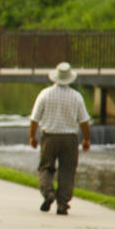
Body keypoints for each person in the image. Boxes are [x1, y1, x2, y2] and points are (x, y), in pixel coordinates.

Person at [29, 62, 91, 215]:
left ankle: (48, 193)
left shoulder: (45, 94)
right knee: (67, 171)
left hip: (49, 136)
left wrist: (32, 136)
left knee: (46, 167)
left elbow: (34, 118)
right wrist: (86, 139)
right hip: (70, 138)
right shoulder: (76, 97)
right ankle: (62, 204)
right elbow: (84, 121)